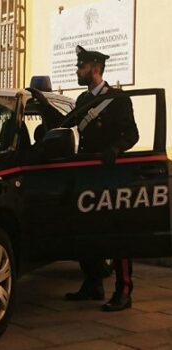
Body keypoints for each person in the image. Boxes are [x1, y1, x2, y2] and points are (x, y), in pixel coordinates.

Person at [64, 45, 139, 312]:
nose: (77, 71)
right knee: (87, 232)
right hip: (88, 175)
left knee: (116, 234)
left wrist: (115, 149)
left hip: (110, 176)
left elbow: (132, 134)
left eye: (81, 67)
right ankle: (93, 283)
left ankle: (124, 291)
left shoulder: (117, 99)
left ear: (95, 69)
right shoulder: (84, 101)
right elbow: (69, 126)